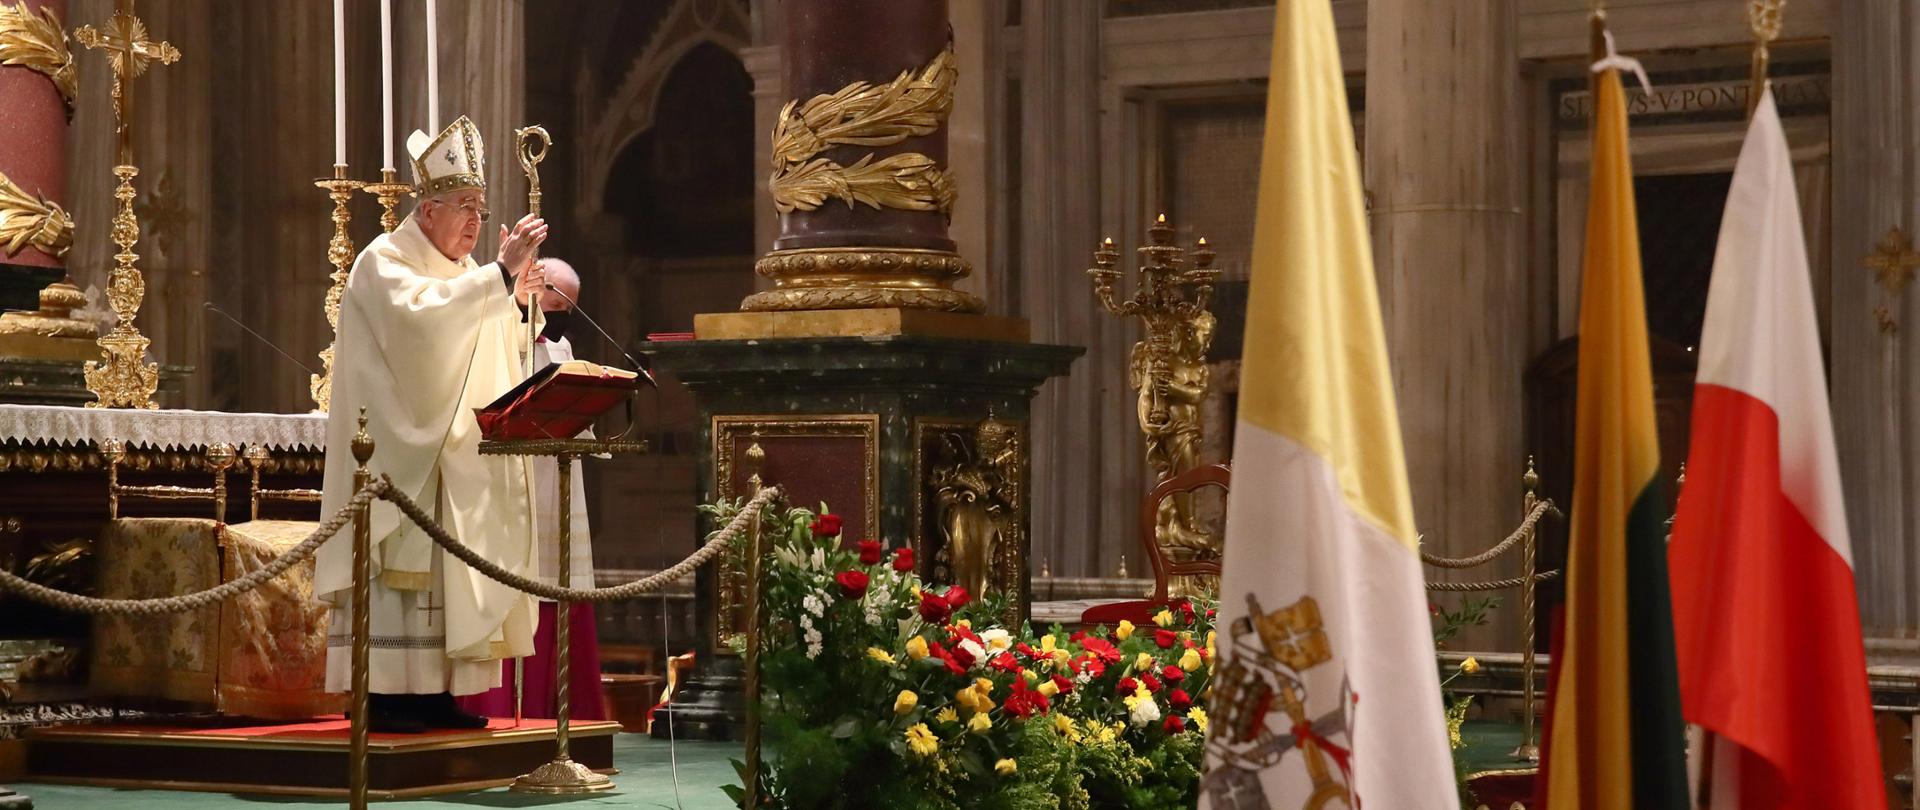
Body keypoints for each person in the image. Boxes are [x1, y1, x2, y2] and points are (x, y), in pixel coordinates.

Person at [314, 115, 550, 733]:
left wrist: (519, 301)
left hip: (456, 462)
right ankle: (388, 693)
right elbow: (424, 329)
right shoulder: (383, 261)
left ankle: (439, 692)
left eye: (479, 206)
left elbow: (493, 349)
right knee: (403, 575)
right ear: (426, 211)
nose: (474, 220)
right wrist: (497, 278)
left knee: (453, 574)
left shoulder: (462, 273)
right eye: (462, 207)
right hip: (399, 460)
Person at [456, 258, 607, 721]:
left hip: (556, 481)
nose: (558, 316)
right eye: (554, 303)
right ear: (532, 288)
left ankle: (563, 710)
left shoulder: (561, 350)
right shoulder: (494, 339)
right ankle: (502, 705)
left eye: (569, 308)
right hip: (510, 483)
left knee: (557, 584)